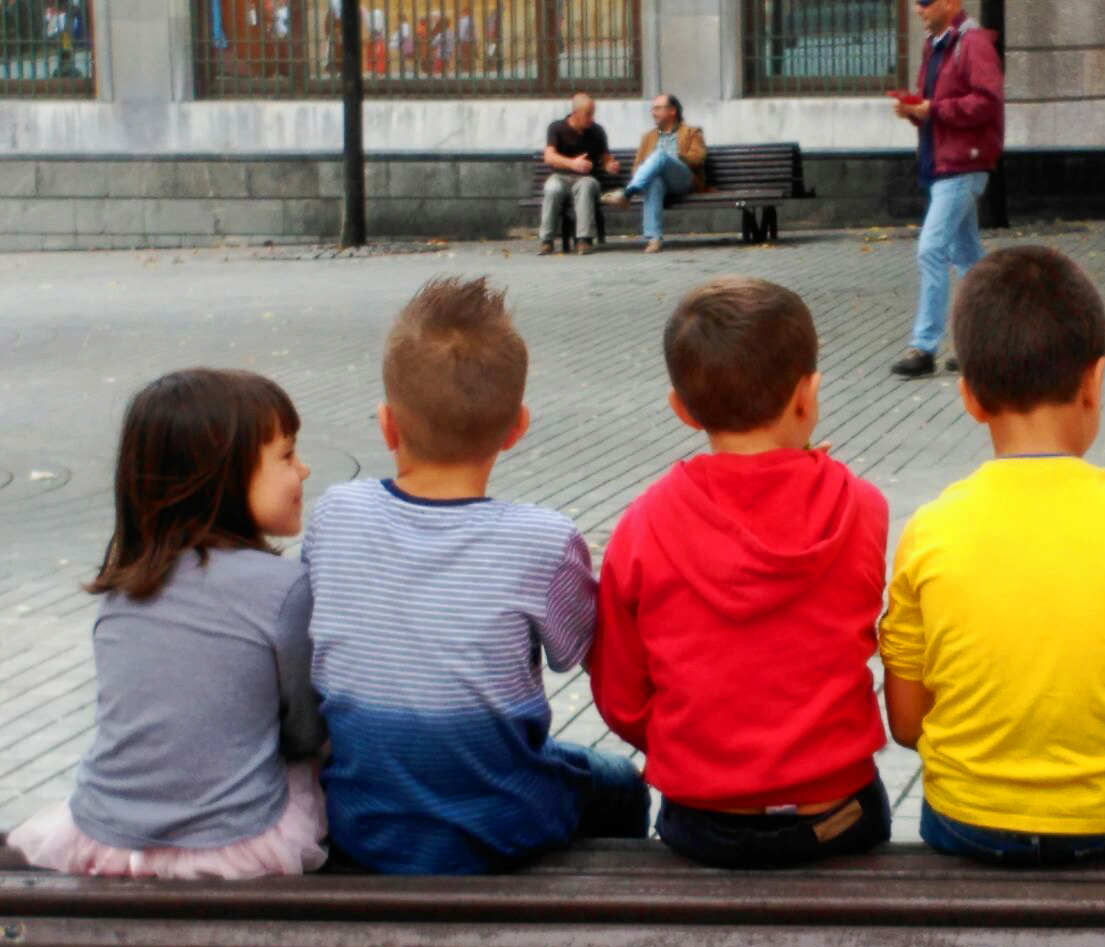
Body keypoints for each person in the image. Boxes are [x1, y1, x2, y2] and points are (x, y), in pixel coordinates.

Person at [301, 276, 649, 874]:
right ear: (517, 427)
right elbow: (577, 652)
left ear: (387, 426)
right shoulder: (543, 538)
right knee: (621, 783)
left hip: (364, 823)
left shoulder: (335, 514)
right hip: (505, 825)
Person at [880, 246, 1105, 865]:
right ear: (1094, 381)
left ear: (970, 397)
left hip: (969, 823)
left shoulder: (929, 533)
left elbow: (905, 723)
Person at [590, 277, 891, 869]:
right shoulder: (862, 507)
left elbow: (621, 696)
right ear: (807, 396)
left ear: (681, 408)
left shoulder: (644, 522)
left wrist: (702, 745)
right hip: (840, 820)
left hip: (708, 825)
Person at [6, 370, 327, 879]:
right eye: (287, 456)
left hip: (104, 837)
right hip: (234, 845)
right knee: (319, 770)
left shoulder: (123, 586)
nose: (304, 470)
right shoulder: (284, 589)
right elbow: (304, 732)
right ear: (222, 477)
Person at [887, 0, 1004, 379]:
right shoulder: (937, 44)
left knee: (933, 248)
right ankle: (984, 343)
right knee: (968, 257)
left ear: (950, 2)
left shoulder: (972, 43)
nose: (917, 8)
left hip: (962, 165)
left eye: (925, 1)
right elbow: (937, 107)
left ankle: (924, 346)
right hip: (946, 164)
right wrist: (916, 111)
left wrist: (931, 110)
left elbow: (987, 102)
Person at [601, 94, 707, 254]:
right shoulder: (648, 137)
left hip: (684, 179)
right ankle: (654, 239)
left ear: (672, 111)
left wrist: (670, 160)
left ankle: (627, 193)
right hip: (660, 183)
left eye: (657, 108)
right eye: (653, 109)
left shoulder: (692, 132)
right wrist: (655, 168)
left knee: (660, 155)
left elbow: (698, 158)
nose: (653, 113)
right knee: (655, 181)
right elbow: (637, 167)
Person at [541, 93, 620, 257]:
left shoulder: (597, 131)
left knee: (586, 187)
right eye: (588, 114)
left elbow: (605, 157)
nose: (591, 119)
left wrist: (610, 165)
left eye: (593, 114)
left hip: (586, 178)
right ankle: (546, 240)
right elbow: (549, 157)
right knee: (552, 189)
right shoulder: (556, 128)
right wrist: (572, 164)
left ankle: (584, 239)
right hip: (560, 176)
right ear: (575, 113)